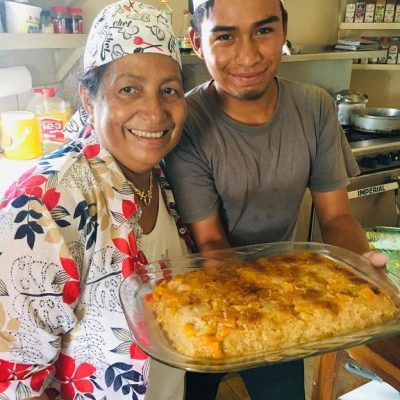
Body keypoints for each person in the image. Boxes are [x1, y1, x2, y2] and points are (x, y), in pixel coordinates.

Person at [163, 0, 388, 399]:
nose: (248, 56)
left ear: (284, 31)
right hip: (210, 298)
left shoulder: (315, 106)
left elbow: (335, 216)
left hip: (290, 291)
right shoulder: (189, 123)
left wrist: (363, 272)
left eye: (264, 31)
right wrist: (266, 309)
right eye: (226, 36)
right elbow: (211, 241)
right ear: (197, 42)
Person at [0, 1, 193, 399]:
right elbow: (13, 380)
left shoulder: (162, 176)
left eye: (169, 90)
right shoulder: (43, 206)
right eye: (129, 89)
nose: (154, 112)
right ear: (89, 98)